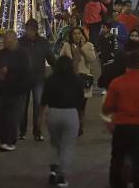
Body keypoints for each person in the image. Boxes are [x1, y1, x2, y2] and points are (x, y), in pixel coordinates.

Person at [103, 51, 139, 188]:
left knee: (117, 159)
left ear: (126, 65)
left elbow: (107, 107)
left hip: (121, 126)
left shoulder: (116, 83)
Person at [40, 56, 85, 188]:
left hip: (53, 113)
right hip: (71, 113)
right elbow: (81, 102)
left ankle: (53, 171)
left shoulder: (50, 80)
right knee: (67, 146)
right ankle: (61, 175)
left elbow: (43, 100)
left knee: (55, 144)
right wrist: (81, 119)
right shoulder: (76, 80)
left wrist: (40, 117)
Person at [0, 30, 30, 152]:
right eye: (4, 39)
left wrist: (9, 70)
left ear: (14, 40)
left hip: (17, 91)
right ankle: (4, 140)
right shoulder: (0, 54)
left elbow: (25, 71)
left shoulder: (22, 54)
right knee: (2, 117)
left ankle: (11, 141)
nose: (4, 42)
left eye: (7, 39)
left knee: (13, 117)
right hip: (2, 91)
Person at [18, 18, 56, 141]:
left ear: (35, 30)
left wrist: (58, 70)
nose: (28, 31)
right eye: (27, 29)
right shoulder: (20, 42)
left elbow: (51, 58)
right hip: (23, 79)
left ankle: (37, 131)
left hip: (38, 79)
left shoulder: (43, 43)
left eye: (31, 29)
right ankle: (22, 131)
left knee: (38, 106)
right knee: (22, 106)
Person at [60, 26, 97, 136]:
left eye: (79, 33)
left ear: (82, 34)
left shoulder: (88, 45)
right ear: (71, 36)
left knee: (81, 106)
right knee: (72, 105)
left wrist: (83, 47)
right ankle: (73, 126)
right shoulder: (67, 46)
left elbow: (92, 59)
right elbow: (61, 60)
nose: (77, 36)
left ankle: (80, 126)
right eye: (74, 34)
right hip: (71, 79)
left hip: (84, 79)